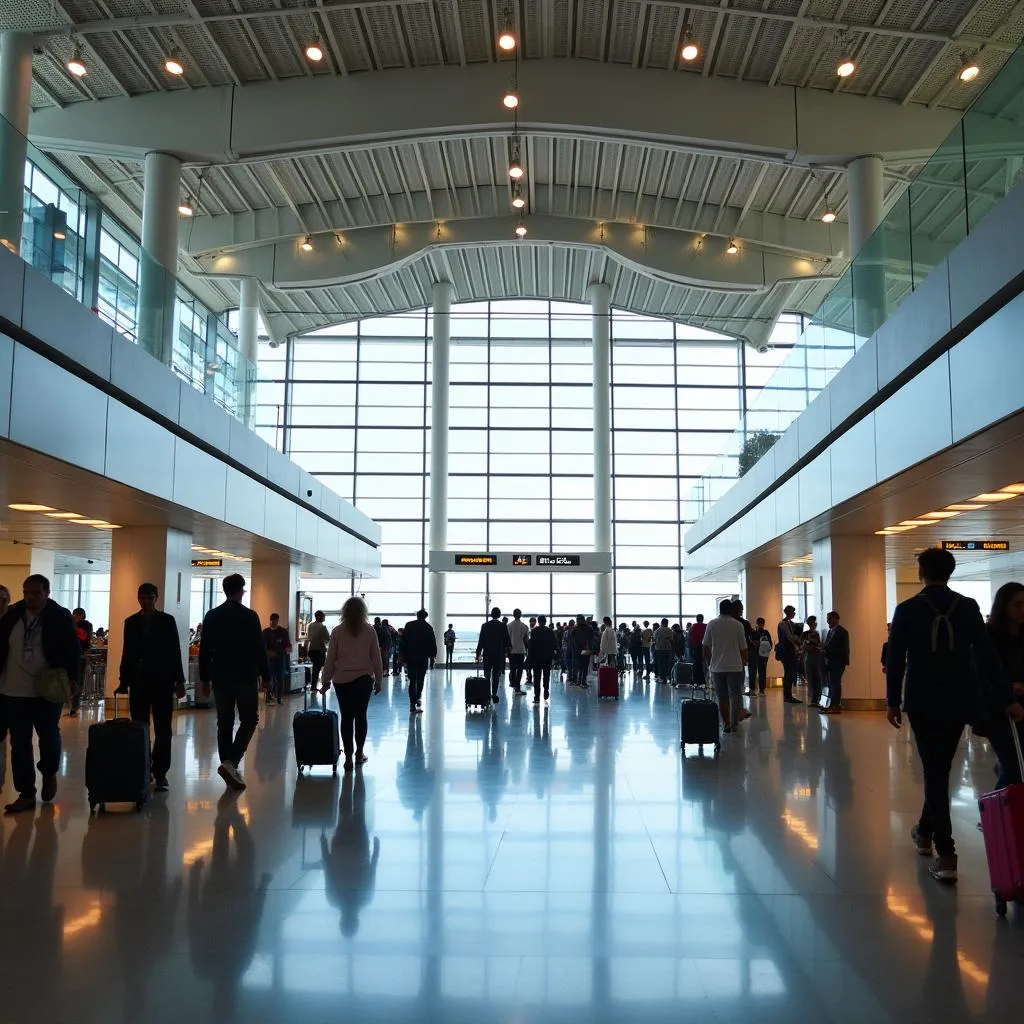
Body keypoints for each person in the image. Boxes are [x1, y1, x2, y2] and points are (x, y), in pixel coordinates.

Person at [886, 547, 1022, 884]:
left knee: (935, 770)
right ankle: (923, 831)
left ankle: (946, 853)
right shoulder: (968, 607)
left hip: (922, 700)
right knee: (939, 768)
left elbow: (896, 661)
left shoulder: (907, 610)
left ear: (922, 573)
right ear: (950, 572)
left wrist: (892, 702)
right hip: (959, 699)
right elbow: (987, 657)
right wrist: (1007, 697)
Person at [0, 575, 80, 813]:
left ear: (47, 592)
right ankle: (26, 792)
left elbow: (73, 649)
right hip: (13, 690)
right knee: (19, 742)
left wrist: (73, 679)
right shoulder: (13, 615)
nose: (30, 598)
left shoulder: (59, 617)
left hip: (47, 689)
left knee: (49, 736)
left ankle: (49, 772)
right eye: (26, 592)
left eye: (35, 593)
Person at [199, 574, 270, 792]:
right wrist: (267, 676)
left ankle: (226, 763)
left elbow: (204, 650)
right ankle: (231, 762)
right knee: (249, 719)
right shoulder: (249, 616)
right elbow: (259, 648)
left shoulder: (212, 615)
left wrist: (204, 678)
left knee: (225, 721)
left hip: (220, 676)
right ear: (241, 591)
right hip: (245, 676)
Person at [116, 582, 186, 792]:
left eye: (149, 598)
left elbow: (175, 650)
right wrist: (123, 680)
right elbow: (127, 652)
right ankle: (143, 767)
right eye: (142, 598)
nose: (145, 601)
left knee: (163, 728)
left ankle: (160, 771)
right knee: (140, 727)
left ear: (156, 598)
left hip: (163, 681)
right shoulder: (131, 622)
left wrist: (179, 681)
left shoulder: (167, 621)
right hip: (139, 681)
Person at [322, 596, 383, 771]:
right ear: (363, 611)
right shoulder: (369, 631)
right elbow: (376, 658)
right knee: (361, 716)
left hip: (342, 681)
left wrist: (325, 680)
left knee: (346, 717)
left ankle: (348, 757)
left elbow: (331, 658)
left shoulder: (338, 631)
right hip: (363, 680)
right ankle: (359, 753)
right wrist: (378, 680)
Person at [985, 583, 1024, 789]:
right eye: (1017, 605)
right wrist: (1008, 691)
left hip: (1021, 706)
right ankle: (996, 816)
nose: (1022, 610)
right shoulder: (989, 637)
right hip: (998, 710)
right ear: (1004, 606)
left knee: (1015, 763)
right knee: (1014, 766)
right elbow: (986, 672)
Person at [703, 598, 749, 733]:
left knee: (722, 696)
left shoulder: (711, 624)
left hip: (717, 667)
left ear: (720, 609)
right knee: (735, 695)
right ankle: (734, 722)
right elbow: (744, 649)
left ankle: (726, 724)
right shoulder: (737, 625)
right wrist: (743, 663)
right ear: (731, 610)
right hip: (735, 666)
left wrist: (709, 662)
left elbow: (705, 646)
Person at [400, 609, 437, 715]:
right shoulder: (428, 627)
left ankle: (412, 703)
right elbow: (432, 643)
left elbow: (403, 642)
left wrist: (402, 655)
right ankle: (418, 698)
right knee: (420, 679)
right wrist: (432, 658)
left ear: (417, 616)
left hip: (411, 657)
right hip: (423, 657)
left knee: (412, 680)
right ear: (425, 617)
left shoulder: (409, 625)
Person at [476, 607, 511, 704]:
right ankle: (494, 694)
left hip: (487, 654)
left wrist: (478, 653)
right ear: (499, 615)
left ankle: (487, 693)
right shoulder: (503, 626)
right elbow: (507, 640)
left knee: (487, 675)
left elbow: (481, 641)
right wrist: (508, 651)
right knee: (496, 675)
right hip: (498, 654)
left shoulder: (485, 626)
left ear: (491, 615)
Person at [822, 611, 850, 714]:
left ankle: (836, 706)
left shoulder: (842, 632)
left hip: (838, 662)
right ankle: (831, 705)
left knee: (835, 684)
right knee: (831, 684)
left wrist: (827, 651)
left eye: (829, 618)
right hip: (830, 662)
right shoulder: (830, 631)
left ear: (836, 619)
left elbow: (843, 650)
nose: (827, 621)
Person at [262, 613, 291, 705]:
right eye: (271, 621)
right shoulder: (265, 632)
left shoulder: (283, 632)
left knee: (279, 678)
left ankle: (279, 697)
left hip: (280, 658)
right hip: (269, 659)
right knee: (269, 677)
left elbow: (287, 645)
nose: (273, 623)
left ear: (277, 621)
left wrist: (287, 649)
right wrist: (269, 652)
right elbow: (262, 646)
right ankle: (268, 696)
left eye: (275, 621)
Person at [68, 607, 93, 717]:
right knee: (73, 679)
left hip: (80, 656)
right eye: (75, 614)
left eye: (79, 615)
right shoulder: (70, 624)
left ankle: (74, 706)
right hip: (72, 655)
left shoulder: (85, 626)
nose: (77, 617)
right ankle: (72, 705)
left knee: (78, 680)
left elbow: (85, 640)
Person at [777, 605, 803, 704]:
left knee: (790, 673)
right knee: (789, 673)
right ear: (788, 612)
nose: (794, 613)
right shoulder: (783, 624)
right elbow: (790, 637)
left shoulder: (788, 623)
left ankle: (788, 695)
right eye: (793, 611)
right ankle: (787, 696)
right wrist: (799, 641)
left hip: (788, 652)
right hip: (787, 652)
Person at [528, 614, 557, 704]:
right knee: (546, 675)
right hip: (547, 657)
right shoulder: (550, 631)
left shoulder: (534, 631)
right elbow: (554, 644)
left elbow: (531, 645)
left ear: (538, 621)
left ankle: (537, 696)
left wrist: (530, 656)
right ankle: (546, 690)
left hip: (536, 657)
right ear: (545, 622)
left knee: (536, 677)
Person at [732, 601, 757, 697]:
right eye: (741, 609)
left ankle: (741, 689)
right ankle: (750, 689)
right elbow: (751, 634)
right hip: (746, 649)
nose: (742, 611)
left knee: (740, 670)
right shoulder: (743, 623)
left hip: (739, 650)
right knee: (749, 670)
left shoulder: (735, 622)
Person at [802, 615, 824, 708]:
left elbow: (816, 645)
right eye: (814, 622)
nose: (815, 624)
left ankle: (816, 698)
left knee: (815, 677)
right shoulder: (806, 634)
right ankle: (814, 698)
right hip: (810, 657)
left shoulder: (815, 634)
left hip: (814, 657)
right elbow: (805, 645)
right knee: (811, 677)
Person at [305, 611, 330, 693]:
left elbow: (308, 637)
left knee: (315, 669)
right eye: (323, 616)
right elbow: (328, 638)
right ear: (320, 617)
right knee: (323, 668)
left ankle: (313, 685)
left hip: (311, 650)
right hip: (320, 650)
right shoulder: (323, 627)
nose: (324, 618)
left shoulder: (310, 625)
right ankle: (319, 685)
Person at [507, 609, 529, 697]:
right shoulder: (525, 626)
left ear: (513, 615)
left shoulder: (509, 626)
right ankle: (517, 688)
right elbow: (526, 640)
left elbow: (507, 639)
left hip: (511, 650)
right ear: (520, 615)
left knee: (512, 669)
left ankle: (513, 684)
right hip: (520, 650)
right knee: (520, 670)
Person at [750, 617, 773, 695]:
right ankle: (761, 690)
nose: (759, 625)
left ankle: (754, 689)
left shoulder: (755, 632)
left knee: (755, 671)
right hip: (763, 655)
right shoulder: (766, 633)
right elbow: (770, 645)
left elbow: (751, 643)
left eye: (759, 623)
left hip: (756, 655)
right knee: (761, 672)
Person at [572, 614, 593, 688]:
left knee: (579, 666)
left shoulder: (575, 629)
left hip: (578, 650)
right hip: (585, 650)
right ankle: (583, 681)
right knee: (585, 666)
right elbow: (591, 639)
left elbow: (573, 640)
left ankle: (579, 681)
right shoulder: (588, 628)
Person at [653, 617, 674, 683]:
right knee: (667, 663)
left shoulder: (657, 631)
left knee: (660, 664)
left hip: (659, 649)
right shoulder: (669, 630)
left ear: (661, 623)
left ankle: (662, 678)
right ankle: (668, 676)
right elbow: (672, 640)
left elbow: (654, 640)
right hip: (668, 649)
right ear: (667, 623)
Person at [689, 614, 707, 685]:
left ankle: (697, 680)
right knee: (705, 664)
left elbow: (690, 637)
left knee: (697, 664)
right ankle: (705, 680)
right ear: (702, 619)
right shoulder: (706, 626)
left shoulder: (693, 626)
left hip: (696, 648)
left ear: (697, 619)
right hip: (704, 647)